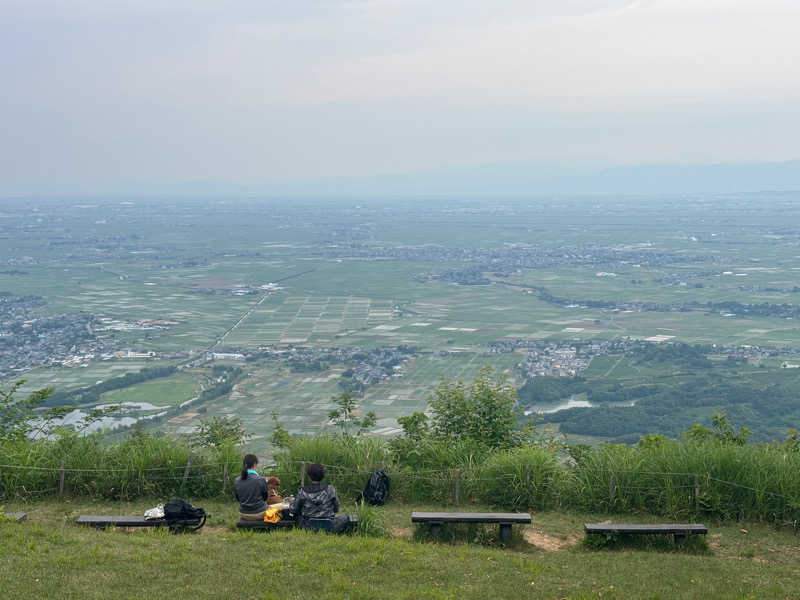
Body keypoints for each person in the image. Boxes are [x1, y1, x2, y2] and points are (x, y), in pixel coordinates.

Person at [289, 463, 350, 533]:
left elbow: (293, 510)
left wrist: (291, 502)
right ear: (323, 476)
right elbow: (337, 509)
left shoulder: (302, 491)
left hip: (307, 525)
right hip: (329, 523)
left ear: (309, 477)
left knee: (296, 516)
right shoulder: (330, 489)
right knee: (346, 517)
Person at [233, 453, 270, 520]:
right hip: (259, 513)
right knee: (278, 507)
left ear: (244, 464)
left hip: (243, 514)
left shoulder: (236, 480)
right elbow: (265, 498)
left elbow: (238, 499)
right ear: (255, 464)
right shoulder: (261, 479)